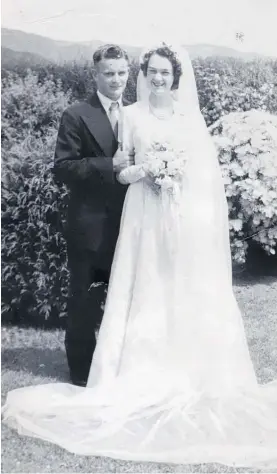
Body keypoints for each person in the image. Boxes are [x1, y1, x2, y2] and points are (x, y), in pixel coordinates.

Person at [2, 43, 277, 469]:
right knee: (140, 285)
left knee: (180, 289)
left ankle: (187, 365)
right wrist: (146, 170)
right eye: (153, 73)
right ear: (143, 76)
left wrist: (176, 180)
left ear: (176, 78)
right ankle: (121, 368)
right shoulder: (130, 116)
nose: (159, 79)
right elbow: (123, 169)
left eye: (166, 73)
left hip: (180, 218)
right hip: (141, 217)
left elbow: (205, 178)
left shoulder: (190, 119)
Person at [53, 44, 132, 386]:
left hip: (130, 223)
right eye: (109, 73)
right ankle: (82, 373)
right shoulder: (77, 113)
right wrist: (107, 165)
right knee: (85, 298)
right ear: (95, 75)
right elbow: (63, 168)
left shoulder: (135, 113)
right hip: (90, 224)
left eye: (122, 73)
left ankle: (118, 366)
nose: (116, 80)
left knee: (126, 297)